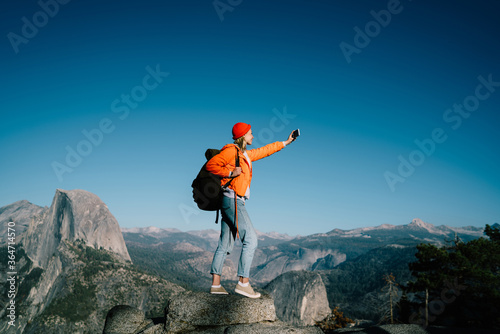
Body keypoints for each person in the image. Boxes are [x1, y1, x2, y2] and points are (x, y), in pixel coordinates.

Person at [205, 122, 296, 298]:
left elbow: (265, 150)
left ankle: (215, 285)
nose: (253, 136)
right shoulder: (232, 151)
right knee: (251, 240)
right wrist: (231, 173)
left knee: (224, 244)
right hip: (233, 200)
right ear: (243, 135)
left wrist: (286, 142)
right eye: (251, 133)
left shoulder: (245, 154)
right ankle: (243, 283)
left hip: (228, 200)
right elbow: (211, 165)